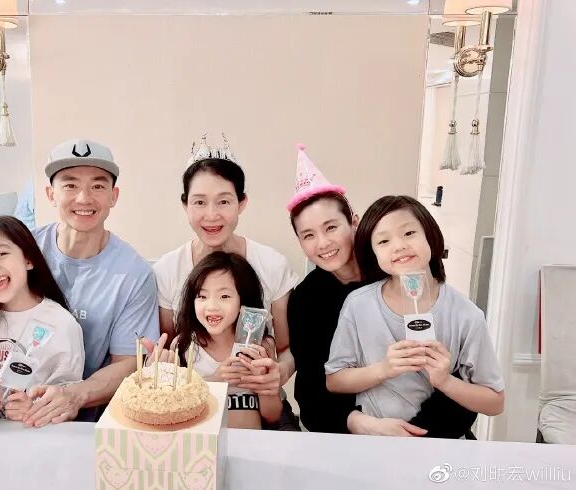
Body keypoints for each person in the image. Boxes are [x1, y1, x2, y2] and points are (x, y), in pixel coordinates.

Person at [0, 139, 159, 426]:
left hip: (71, 426)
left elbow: (129, 363)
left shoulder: (134, 274)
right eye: (70, 185)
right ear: (51, 194)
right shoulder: (15, 246)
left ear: (114, 196)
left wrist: (75, 395)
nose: (83, 198)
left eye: (98, 186)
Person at [288, 145, 479, 437]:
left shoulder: (400, 272)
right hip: (353, 437)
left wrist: (417, 434)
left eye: (331, 227)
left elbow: (458, 373)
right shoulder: (306, 300)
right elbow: (312, 389)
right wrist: (359, 423)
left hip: (433, 435)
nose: (323, 243)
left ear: (354, 221)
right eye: (308, 235)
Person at [152, 134, 298, 427]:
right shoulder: (167, 270)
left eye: (224, 201)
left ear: (242, 203)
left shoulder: (271, 265)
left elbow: (285, 347)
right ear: (185, 205)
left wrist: (276, 375)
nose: (212, 215)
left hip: (258, 405)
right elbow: (168, 351)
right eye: (199, 202)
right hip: (195, 407)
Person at [325, 195, 505, 426]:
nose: (399, 246)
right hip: (375, 438)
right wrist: (384, 369)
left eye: (409, 233)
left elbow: (495, 402)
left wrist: (445, 381)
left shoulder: (466, 315)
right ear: (372, 253)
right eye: (383, 241)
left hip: (440, 440)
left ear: (430, 235)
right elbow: (334, 380)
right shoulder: (358, 305)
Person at [0, 216, 83, 421]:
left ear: (28, 260)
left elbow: (65, 397)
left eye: (2, 254)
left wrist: (33, 408)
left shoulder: (61, 323)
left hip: (35, 435)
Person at [154, 251, 282, 429]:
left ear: (243, 300)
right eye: (202, 296)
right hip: (203, 441)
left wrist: (263, 384)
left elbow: (273, 417)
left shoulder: (261, 346)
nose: (212, 306)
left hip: (251, 440)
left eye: (224, 296)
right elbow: (178, 412)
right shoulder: (183, 346)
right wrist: (215, 381)